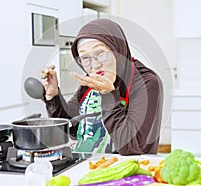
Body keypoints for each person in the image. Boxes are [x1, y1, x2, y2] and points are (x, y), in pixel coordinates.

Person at [42, 19, 163, 155]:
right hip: (88, 167)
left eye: (100, 54)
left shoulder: (146, 83)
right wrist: (53, 96)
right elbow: (72, 128)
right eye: (85, 58)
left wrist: (108, 94)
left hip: (126, 172)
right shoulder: (91, 80)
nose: (95, 65)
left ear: (118, 49)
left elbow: (132, 147)